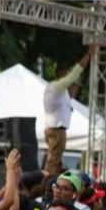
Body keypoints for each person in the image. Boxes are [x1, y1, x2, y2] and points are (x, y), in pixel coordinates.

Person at [43, 45, 97, 177]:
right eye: (66, 73)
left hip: (57, 129)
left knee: (54, 161)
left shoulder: (59, 90)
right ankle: (47, 184)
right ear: (61, 74)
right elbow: (73, 75)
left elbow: (71, 93)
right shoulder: (56, 87)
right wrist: (88, 56)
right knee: (53, 161)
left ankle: (49, 180)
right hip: (57, 130)